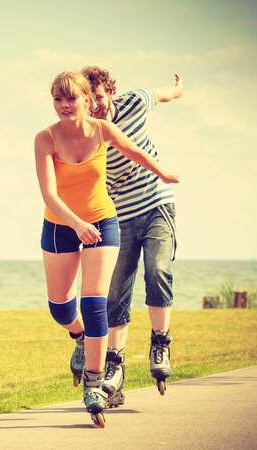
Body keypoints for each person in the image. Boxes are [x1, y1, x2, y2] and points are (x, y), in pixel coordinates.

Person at [34, 71, 179, 426]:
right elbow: (49, 193)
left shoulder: (102, 130)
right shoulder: (45, 139)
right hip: (60, 227)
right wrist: (76, 224)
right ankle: (80, 337)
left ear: (86, 100)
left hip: (101, 222)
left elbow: (135, 151)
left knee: (96, 300)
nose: (65, 106)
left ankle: (95, 385)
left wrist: (162, 172)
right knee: (60, 309)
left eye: (72, 98)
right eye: (58, 99)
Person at [80, 66, 184, 400]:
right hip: (119, 215)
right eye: (89, 99)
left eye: (98, 96)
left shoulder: (135, 101)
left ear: (109, 92)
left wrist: (179, 88)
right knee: (114, 294)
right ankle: (115, 365)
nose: (95, 105)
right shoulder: (87, 131)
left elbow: (166, 95)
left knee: (158, 270)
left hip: (156, 202)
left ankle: (160, 343)